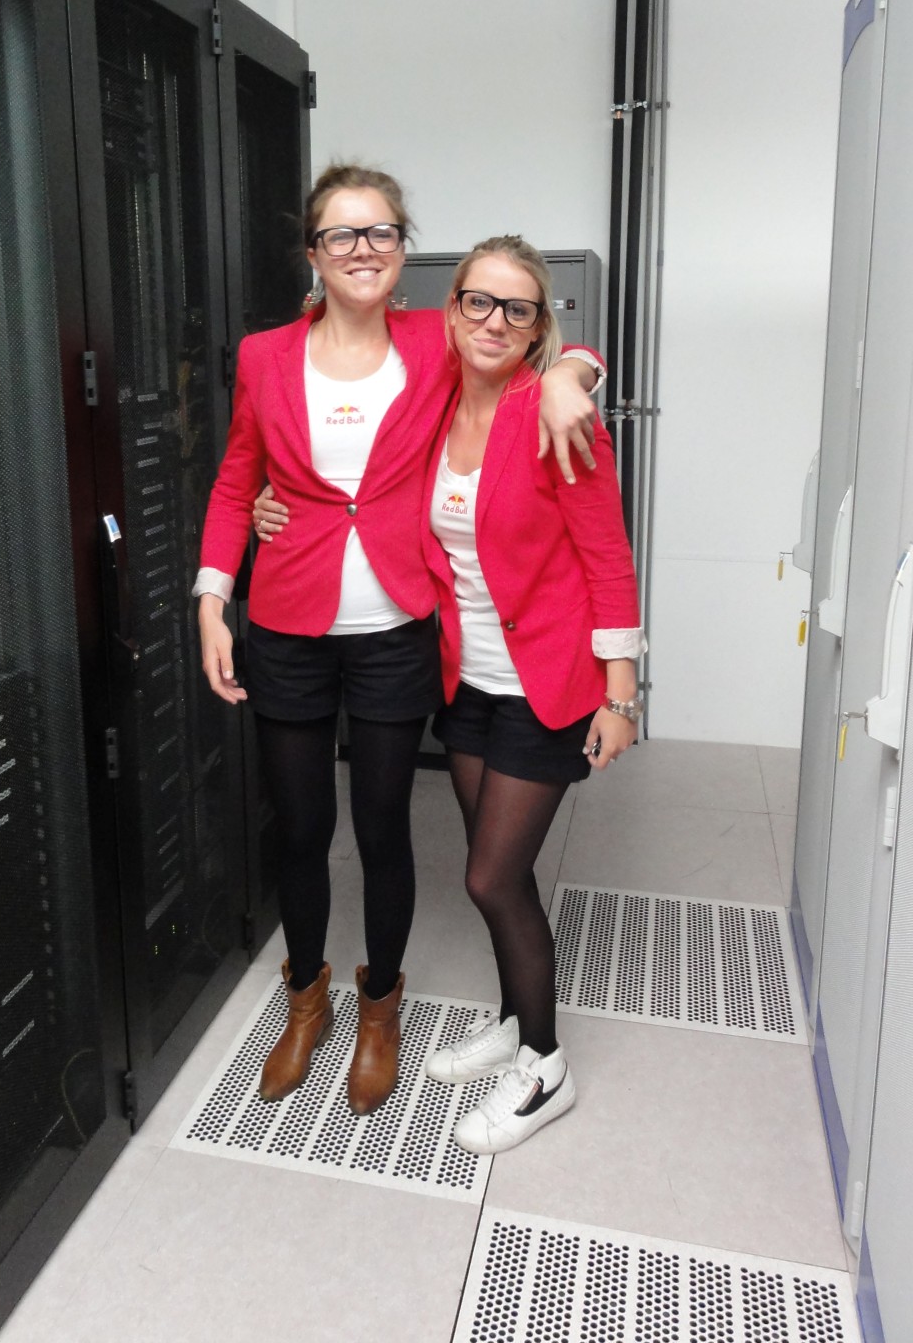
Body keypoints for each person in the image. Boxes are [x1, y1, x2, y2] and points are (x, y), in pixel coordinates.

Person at [194, 166, 602, 1116]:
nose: (363, 249)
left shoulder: (434, 340)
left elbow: (529, 338)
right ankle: (305, 1002)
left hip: (396, 629)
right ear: (313, 252)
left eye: (381, 232)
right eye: (342, 234)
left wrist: (572, 376)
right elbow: (236, 479)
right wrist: (213, 598)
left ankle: (380, 1010)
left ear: (402, 247)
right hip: (287, 623)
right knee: (302, 829)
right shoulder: (264, 356)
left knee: (383, 829)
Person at [420, 235, 644, 1155]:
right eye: (479, 300)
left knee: (490, 877)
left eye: (517, 309)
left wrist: (621, 695)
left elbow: (608, 557)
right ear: (453, 308)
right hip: (466, 679)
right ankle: (516, 1022)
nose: (494, 321)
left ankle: (545, 1068)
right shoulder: (434, 401)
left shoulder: (554, 416)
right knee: (496, 873)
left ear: (538, 324)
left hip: (545, 685)